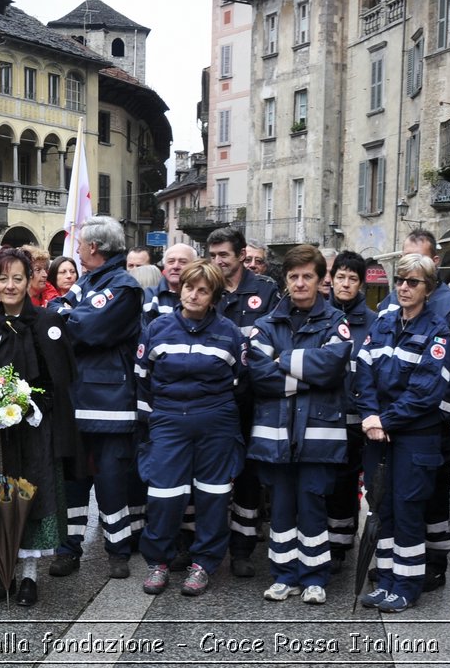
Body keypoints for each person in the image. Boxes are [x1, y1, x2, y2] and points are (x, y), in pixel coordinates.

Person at [0, 248, 79, 606]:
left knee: (33, 497)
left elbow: (61, 377)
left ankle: (29, 577)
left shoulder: (47, 323)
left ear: (30, 281)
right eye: (3, 278)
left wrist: (34, 406)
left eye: (18, 278)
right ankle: (2, 572)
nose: (10, 286)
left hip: (35, 431)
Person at [247, 245, 354, 605]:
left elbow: (333, 367)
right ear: (285, 280)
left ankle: (314, 577)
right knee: (280, 505)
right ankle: (283, 575)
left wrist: (284, 359)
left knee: (312, 504)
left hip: (318, 435)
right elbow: (259, 376)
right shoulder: (266, 324)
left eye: (307, 275)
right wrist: (308, 374)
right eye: (293, 276)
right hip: (276, 435)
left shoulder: (335, 321)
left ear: (321, 279)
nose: (300, 282)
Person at [351, 252, 450, 613]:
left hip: (413, 437)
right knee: (382, 507)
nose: (404, 287)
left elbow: (426, 391)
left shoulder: (438, 330)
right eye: (400, 280)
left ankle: (407, 584)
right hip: (378, 433)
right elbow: (362, 373)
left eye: (413, 282)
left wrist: (385, 420)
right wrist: (369, 416)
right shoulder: (383, 323)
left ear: (428, 288)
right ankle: (387, 579)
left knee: (408, 509)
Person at [136, 260, 248, 598]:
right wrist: (155, 422)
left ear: (213, 296)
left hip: (216, 421)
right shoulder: (157, 328)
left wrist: (216, 414)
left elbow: (241, 385)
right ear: (179, 289)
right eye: (189, 288)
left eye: (202, 290)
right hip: (168, 420)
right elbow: (143, 380)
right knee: (163, 495)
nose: (194, 295)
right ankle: (159, 562)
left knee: (213, 496)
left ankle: (204, 564)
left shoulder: (230, 333)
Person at [51, 217, 147, 580]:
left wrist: (67, 317)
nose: (76, 250)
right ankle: (67, 549)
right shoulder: (88, 282)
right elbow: (54, 313)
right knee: (73, 482)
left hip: (109, 403)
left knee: (110, 482)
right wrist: (66, 315)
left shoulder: (123, 286)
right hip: (76, 400)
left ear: (94, 248)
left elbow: (88, 329)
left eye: (80, 244)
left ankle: (117, 552)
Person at [207, 226, 279, 577]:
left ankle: (242, 548)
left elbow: (278, 340)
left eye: (224, 255)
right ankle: (202, 545)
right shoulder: (207, 287)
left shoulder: (265, 291)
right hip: (215, 400)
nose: (218, 262)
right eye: (213, 255)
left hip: (254, 399)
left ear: (239, 255)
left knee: (249, 477)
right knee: (210, 473)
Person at [324, 250, 374, 569]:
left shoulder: (373, 322)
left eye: (352, 278)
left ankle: (340, 546)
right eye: (340, 277)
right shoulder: (319, 314)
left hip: (355, 420)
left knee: (345, 484)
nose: (345, 284)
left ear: (360, 284)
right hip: (320, 415)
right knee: (321, 482)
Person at [143, 243, 195, 322]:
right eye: (171, 261)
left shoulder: (201, 297)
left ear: (194, 266)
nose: (175, 266)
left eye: (183, 262)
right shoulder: (149, 296)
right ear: (164, 265)